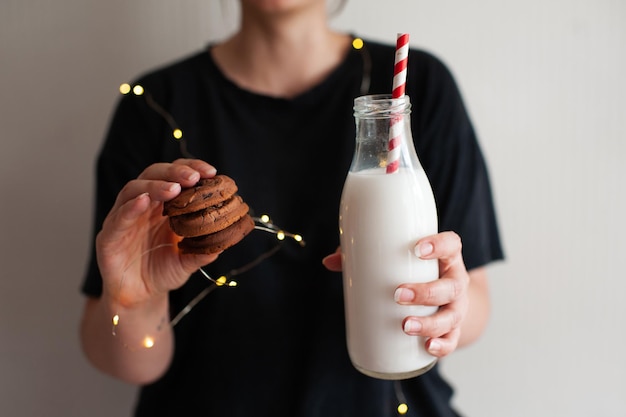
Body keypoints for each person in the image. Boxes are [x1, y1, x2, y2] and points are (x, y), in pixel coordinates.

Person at [79, 0, 504, 416]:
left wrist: (442, 308)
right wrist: (134, 303)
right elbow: (130, 364)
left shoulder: (419, 87)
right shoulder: (153, 103)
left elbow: (475, 309)